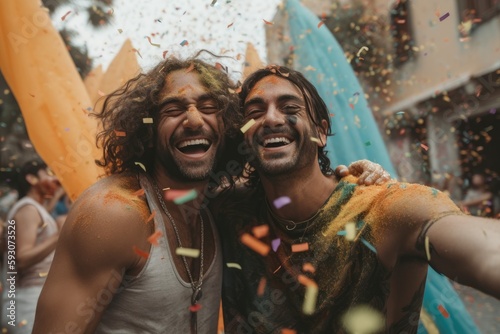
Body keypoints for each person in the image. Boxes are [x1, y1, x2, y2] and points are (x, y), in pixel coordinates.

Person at [32, 54, 387, 334]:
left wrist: (355, 175)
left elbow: (298, 191)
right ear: (147, 129)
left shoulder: (218, 207)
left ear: (229, 126)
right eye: (173, 109)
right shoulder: (114, 214)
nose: (193, 120)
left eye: (208, 107)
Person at [217, 66, 500, 333]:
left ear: (321, 132)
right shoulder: (227, 213)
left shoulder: (384, 207)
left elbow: (482, 250)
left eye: (290, 109)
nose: (271, 119)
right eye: (255, 112)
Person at [1, 160, 61, 334]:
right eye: (49, 173)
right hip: (26, 303)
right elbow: (22, 258)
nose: (55, 178)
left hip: (26, 302)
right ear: (31, 179)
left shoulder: (33, 208)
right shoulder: (28, 209)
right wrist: (59, 236)